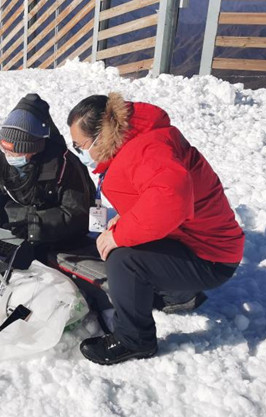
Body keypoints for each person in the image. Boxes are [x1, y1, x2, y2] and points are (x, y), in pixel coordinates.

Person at [66, 93, 245, 365]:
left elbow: (171, 198)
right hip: (193, 241)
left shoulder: (147, 148)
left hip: (210, 257)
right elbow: (151, 196)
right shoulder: (136, 142)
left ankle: (134, 340)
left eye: (81, 145)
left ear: (102, 135)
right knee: (119, 243)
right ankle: (174, 294)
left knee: (124, 260)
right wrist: (124, 220)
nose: (81, 152)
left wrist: (120, 234)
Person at [0, 93, 95, 260]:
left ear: (35, 148)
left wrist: (33, 224)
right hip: (16, 227)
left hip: (53, 236)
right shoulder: (3, 157)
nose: (9, 156)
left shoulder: (65, 166)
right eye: (5, 150)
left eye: (16, 152)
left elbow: (77, 213)